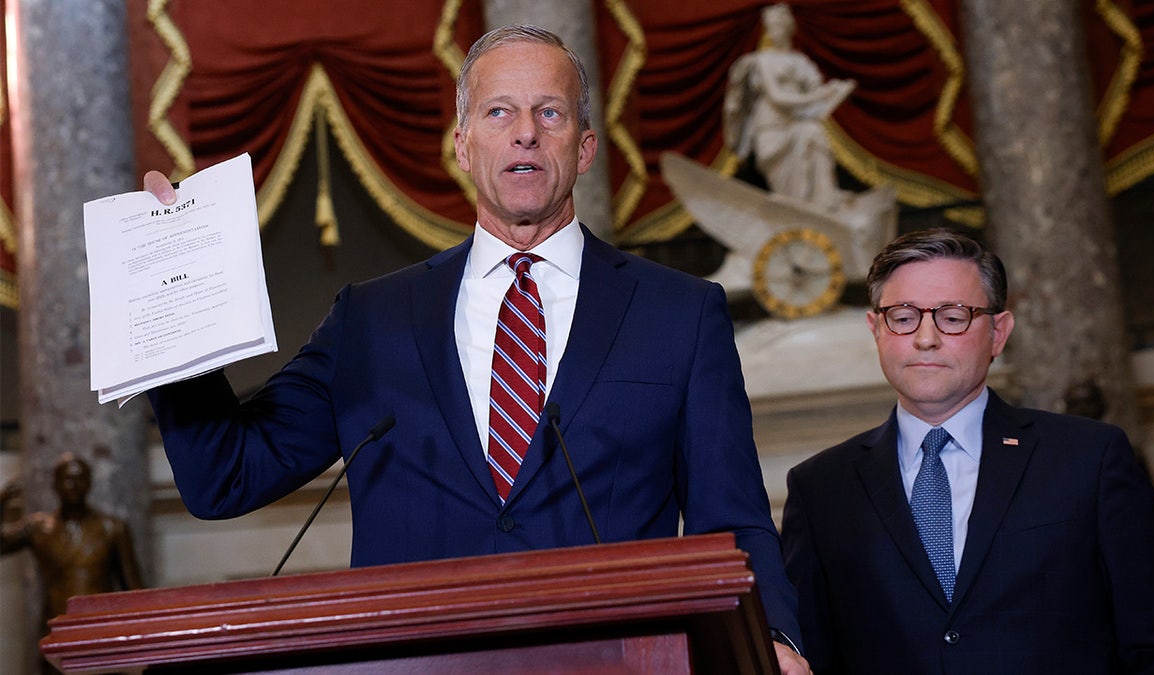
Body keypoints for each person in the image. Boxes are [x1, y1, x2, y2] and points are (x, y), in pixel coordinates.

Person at [140, 25, 810, 673]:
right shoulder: (370, 320)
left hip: (617, 661)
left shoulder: (681, 314)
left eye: (549, 112)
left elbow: (735, 521)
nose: (525, 130)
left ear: (584, 148)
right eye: (498, 111)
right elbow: (226, 475)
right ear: (462, 145)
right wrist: (171, 297)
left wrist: (774, 638)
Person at [780, 227, 1154, 673]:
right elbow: (810, 658)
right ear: (876, 330)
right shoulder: (821, 488)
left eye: (953, 316)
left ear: (998, 332)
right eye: (903, 317)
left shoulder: (1088, 459)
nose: (925, 338)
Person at [724, 3, 854, 211]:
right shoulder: (763, 60)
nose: (774, 30)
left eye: (778, 24)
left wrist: (836, 91)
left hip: (799, 122)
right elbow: (777, 97)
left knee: (815, 132)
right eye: (771, 25)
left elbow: (820, 97)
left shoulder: (801, 61)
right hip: (773, 127)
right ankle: (798, 210)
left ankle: (825, 199)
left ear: (788, 27)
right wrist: (818, 95)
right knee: (789, 195)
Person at [1, 454, 144, 637]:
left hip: (103, 628)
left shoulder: (112, 529)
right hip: (56, 627)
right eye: (68, 479)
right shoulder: (39, 528)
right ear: (55, 483)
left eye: (81, 478)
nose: (75, 485)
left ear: (90, 483)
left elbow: (133, 588)